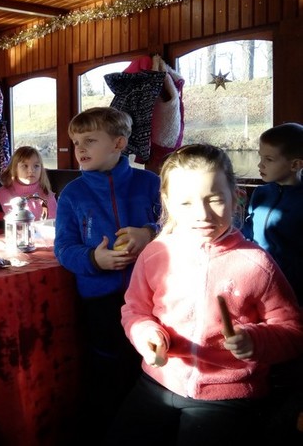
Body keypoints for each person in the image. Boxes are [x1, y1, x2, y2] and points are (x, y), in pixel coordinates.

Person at [105, 143, 303, 445]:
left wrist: (255, 340)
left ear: (236, 197)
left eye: (215, 199)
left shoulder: (257, 263)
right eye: (186, 203)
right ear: (167, 202)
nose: (202, 214)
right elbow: (135, 310)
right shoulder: (155, 253)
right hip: (159, 380)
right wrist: (146, 333)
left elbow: (293, 331)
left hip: (229, 394)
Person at [53, 107, 161, 437]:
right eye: (76, 142)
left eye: (89, 140)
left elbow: (175, 224)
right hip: (100, 299)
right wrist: (93, 259)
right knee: (107, 366)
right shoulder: (72, 194)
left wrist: (150, 233)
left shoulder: (150, 183)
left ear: (118, 143)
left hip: (151, 297)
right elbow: (64, 248)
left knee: (149, 365)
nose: (80, 149)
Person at [242, 122, 303, 304]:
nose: (260, 164)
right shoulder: (261, 193)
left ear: (295, 165)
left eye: (269, 159)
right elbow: (249, 230)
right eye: (260, 157)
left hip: (292, 286)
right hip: (256, 276)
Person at [0, 146, 57, 221]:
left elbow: (55, 222)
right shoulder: (3, 193)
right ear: (15, 169)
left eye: (36, 166)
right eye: (25, 166)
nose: (31, 170)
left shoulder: (46, 193)